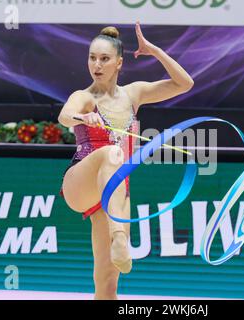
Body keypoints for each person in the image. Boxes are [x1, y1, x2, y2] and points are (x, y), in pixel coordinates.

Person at [58, 22, 194, 300]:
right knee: (112, 153)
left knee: (107, 287)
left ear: (119, 63)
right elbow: (64, 115)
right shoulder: (84, 97)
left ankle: (117, 237)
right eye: (92, 58)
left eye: (104, 59)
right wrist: (83, 117)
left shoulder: (134, 94)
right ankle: (119, 236)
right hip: (81, 184)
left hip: (117, 193)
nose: (96, 64)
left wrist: (154, 51)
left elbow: (185, 84)